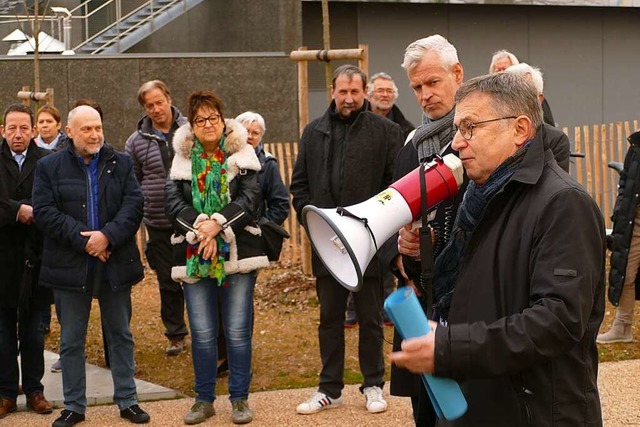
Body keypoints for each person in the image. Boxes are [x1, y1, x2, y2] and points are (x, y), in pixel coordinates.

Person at [391, 72, 605, 426]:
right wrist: (418, 260)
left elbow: (557, 321)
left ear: (520, 129)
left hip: (530, 412)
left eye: (470, 127)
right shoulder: (480, 194)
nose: (457, 143)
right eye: (458, 129)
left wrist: (450, 348)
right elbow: (465, 284)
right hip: (477, 397)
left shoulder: (564, 204)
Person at [290, 64, 403, 415]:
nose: (349, 98)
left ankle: (373, 384)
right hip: (328, 247)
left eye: (356, 92)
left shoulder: (386, 132)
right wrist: (317, 229)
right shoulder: (314, 132)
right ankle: (329, 388)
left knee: (370, 318)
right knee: (330, 319)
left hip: (369, 245)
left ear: (365, 91)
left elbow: (394, 188)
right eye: (343, 92)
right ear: (333, 91)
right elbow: (300, 187)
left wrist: (378, 235)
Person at [33, 105, 150, 427]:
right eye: (87, 129)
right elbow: (44, 211)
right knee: (71, 339)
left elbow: (134, 204)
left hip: (114, 262)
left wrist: (107, 237)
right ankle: (74, 406)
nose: (95, 134)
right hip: (69, 265)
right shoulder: (49, 167)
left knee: (121, 335)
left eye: (98, 127)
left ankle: (127, 401)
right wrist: (85, 241)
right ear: (69, 132)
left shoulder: (121, 163)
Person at [166, 91, 269, 425]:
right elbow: (173, 205)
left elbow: (251, 198)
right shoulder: (181, 159)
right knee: (203, 333)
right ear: (192, 127)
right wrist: (201, 232)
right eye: (200, 120)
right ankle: (204, 399)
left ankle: (239, 399)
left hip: (237, 254)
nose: (208, 124)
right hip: (196, 254)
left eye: (213, 118)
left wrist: (217, 226)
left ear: (223, 121)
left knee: (238, 332)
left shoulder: (242, 153)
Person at [389, 34, 468, 427]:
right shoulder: (409, 147)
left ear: (458, 74)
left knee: (465, 406)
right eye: (417, 86)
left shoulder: (476, 140)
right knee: (425, 407)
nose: (424, 95)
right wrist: (402, 252)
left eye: (433, 82)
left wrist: (443, 242)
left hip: (467, 301)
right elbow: (388, 216)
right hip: (423, 299)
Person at [125, 80, 189, 356]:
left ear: (169, 98)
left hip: (191, 219)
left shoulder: (190, 131)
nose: (155, 109)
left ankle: (204, 331)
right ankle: (176, 334)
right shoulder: (136, 141)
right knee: (167, 280)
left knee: (198, 277)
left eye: (159, 102)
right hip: (158, 221)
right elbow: (132, 181)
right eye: (149, 105)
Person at [0, 104, 53, 420]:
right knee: (3, 333)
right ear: (3, 130)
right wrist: (16, 211)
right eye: (11, 128)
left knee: (34, 331)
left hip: (38, 257)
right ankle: (6, 392)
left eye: (23, 128)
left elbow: (53, 202)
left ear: (33, 131)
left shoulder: (47, 162)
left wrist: (31, 211)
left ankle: (35, 389)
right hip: (2, 257)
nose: (17, 134)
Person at [599, 129, 640, 343]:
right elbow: (625, 181)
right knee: (626, 272)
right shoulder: (636, 146)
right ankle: (622, 327)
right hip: (635, 221)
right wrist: (619, 210)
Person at [504, 62, 571, 172]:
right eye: (508, 93)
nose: (514, 100)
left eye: (524, 93)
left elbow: (555, 185)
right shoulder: (490, 133)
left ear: (539, 99)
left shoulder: (555, 140)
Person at [489, 49, 556, 126]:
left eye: (504, 69)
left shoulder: (532, 94)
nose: (501, 73)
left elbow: (547, 126)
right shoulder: (490, 97)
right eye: (497, 70)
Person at [367, 72, 415, 139]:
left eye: (389, 91)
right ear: (369, 96)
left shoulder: (406, 129)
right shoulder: (356, 123)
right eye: (380, 91)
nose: (385, 95)